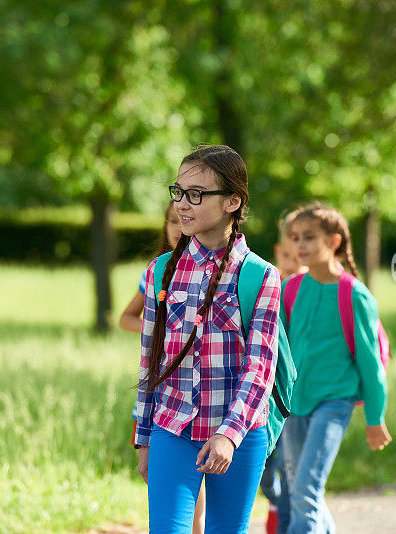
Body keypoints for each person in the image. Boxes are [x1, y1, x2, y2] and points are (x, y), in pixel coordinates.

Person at [134, 144, 281, 533]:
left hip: (240, 435)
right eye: (178, 192)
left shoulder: (260, 276)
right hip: (172, 427)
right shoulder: (160, 272)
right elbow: (151, 361)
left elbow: (261, 367)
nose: (183, 204)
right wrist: (144, 436)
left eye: (196, 195)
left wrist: (229, 436)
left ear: (233, 201)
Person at [281, 202, 392, 533]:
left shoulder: (354, 295)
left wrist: (376, 418)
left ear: (334, 242)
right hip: (293, 404)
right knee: (301, 490)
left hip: (335, 401)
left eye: (309, 237)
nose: (300, 245)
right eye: (295, 237)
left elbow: (371, 366)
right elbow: (279, 352)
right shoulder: (290, 288)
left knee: (305, 490)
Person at [119, 202, 207, 533]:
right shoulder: (156, 271)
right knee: (169, 489)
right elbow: (126, 317)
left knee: (201, 496)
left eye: (181, 219)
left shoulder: (221, 269)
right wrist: (157, 329)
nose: (177, 226)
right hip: (162, 390)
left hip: (206, 391)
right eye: (171, 221)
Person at [260, 214, 308, 534]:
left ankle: (288, 522)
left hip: (300, 399)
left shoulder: (309, 291)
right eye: (287, 256)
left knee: (292, 469)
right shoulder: (268, 284)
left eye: (299, 257)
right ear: (278, 252)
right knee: (265, 472)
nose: (293, 264)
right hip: (268, 398)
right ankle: (279, 504)